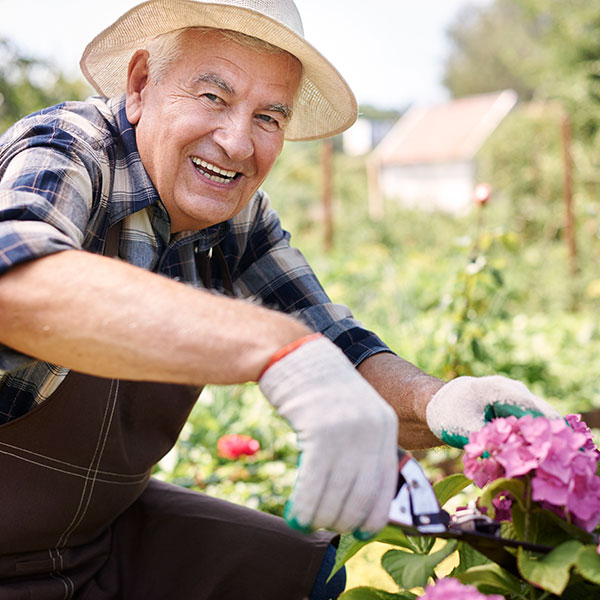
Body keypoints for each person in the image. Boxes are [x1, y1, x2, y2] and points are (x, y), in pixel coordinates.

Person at [0, 1, 561, 598]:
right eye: (213, 97)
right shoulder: (69, 148)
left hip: (96, 534)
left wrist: (443, 401)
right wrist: (274, 346)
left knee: (301, 571)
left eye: (269, 117)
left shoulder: (236, 219)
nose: (238, 143)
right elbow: (17, 284)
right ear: (140, 85)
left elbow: (337, 348)